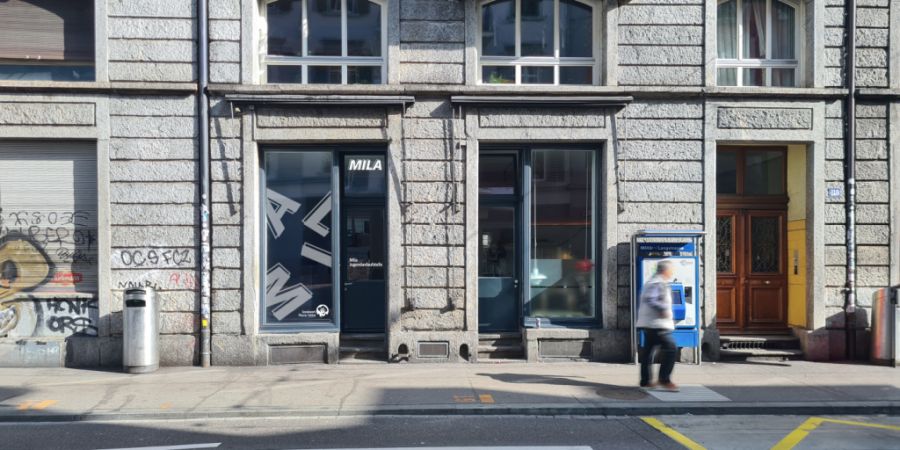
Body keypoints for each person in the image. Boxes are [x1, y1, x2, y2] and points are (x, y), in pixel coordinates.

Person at [636, 260, 679, 392]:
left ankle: (646, 381)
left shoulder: (652, 281)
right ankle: (664, 379)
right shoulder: (658, 283)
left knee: (648, 352)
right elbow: (651, 299)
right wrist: (663, 309)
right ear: (665, 270)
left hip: (649, 323)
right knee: (671, 349)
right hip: (657, 324)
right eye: (671, 270)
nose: (672, 272)